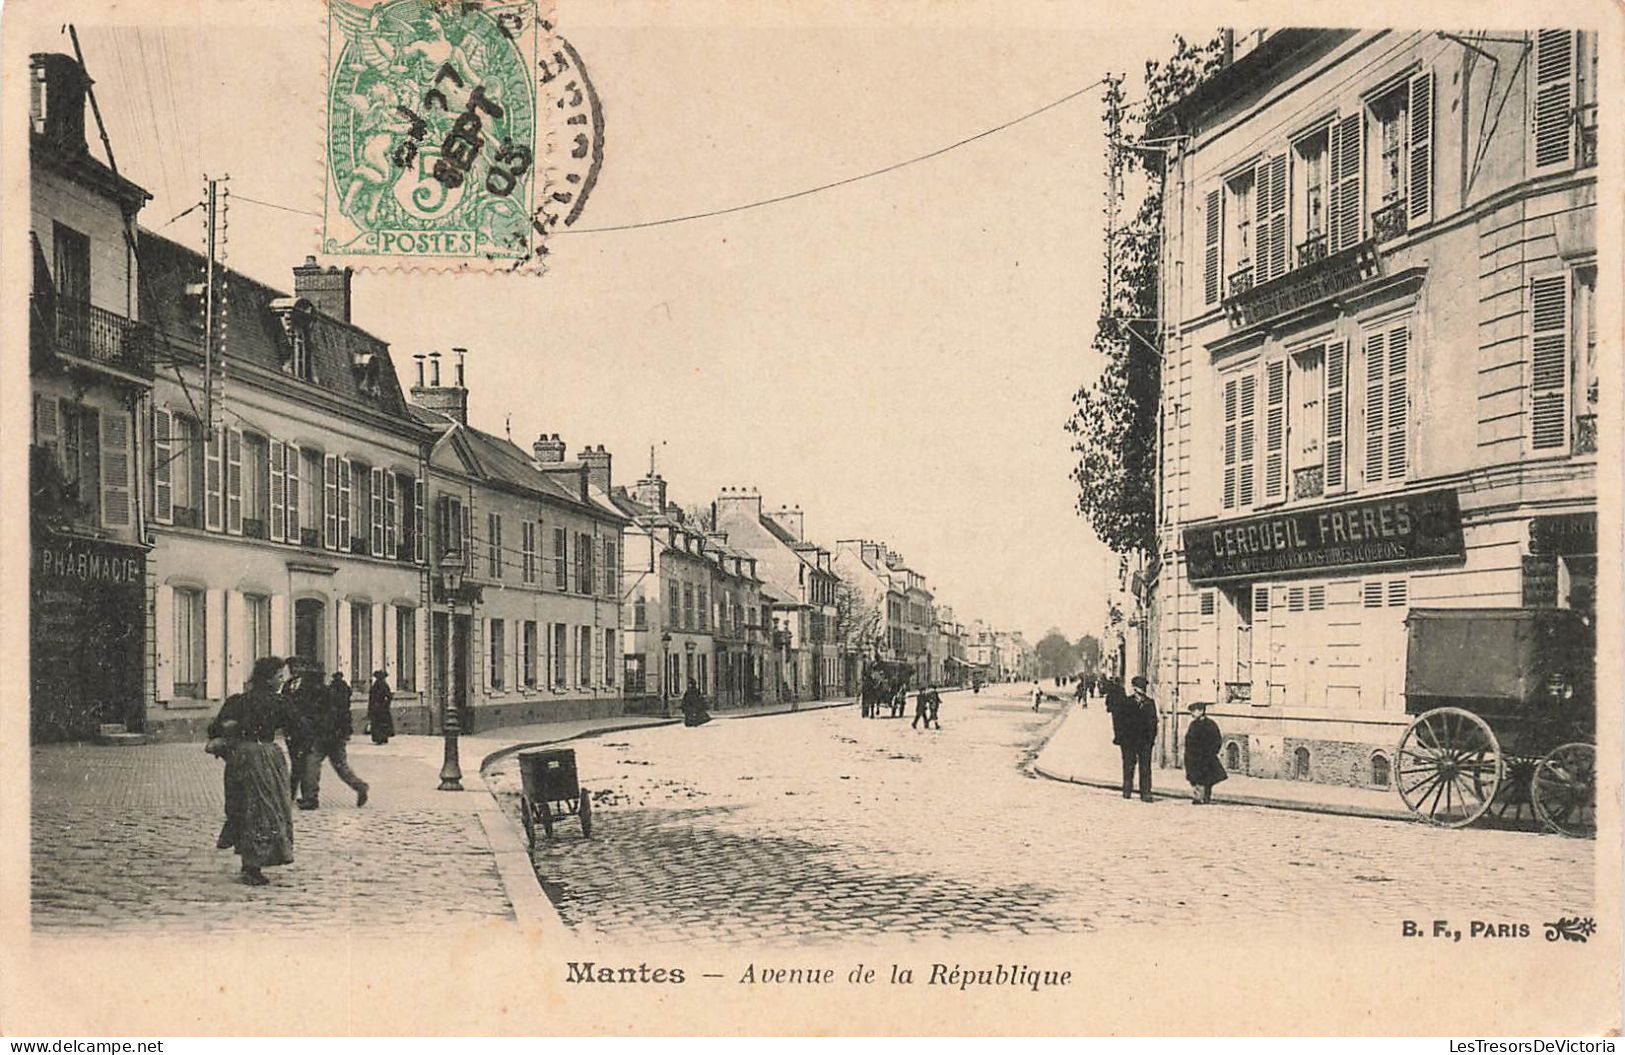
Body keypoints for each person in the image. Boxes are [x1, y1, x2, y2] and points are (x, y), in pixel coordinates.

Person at [207, 656, 297, 885]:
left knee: (243, 807)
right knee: (265, 809)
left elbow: (215, 728)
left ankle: (249, 862)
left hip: (239, 757)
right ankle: (254, 865)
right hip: (265, 757)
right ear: (268, 679)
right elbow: (300, 728)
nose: (281, 681)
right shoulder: (279, 703)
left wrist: (231, 735)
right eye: (279, 677)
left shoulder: (237, 701)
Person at [302, 672, 370, 809]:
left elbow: (312, 716)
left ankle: (311, 798)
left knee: (312, 765)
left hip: (321, 736)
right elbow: (344, 714)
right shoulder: (335, 693)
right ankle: (359, 785)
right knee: (341, 766)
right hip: (336, 736)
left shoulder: (313, 696)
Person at [1117, 675, 1159, 802]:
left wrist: (1151, 739)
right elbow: (1120, 722)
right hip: (1129, 741)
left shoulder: (1150, 703)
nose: (1141, 690)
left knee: (1145, 767)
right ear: (1134, 688)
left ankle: (1145, 793)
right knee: (1129, 765)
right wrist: (1122, 738)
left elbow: (1153, 722)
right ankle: (1127, 790)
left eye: (1143, 688)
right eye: (1139, 688)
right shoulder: (1127, 702)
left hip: (1145, 742)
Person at [1183, 701, 1227, 804]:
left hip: (1206, 756)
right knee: (1196, 778)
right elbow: (1188, 741)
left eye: (1194, 711)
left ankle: (1202, 797)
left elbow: (1217, 740)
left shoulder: (1210, 724)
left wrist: (1212, 752)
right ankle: (1201, 797)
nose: (1192, 714)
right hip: (1194, 757)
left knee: (1205, 778)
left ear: (1201, 711)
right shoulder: (1193, 724)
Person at [367, 669, 395, 745]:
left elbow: (387, 696)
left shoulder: (379, 685)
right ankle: (382, 738)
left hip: (378, 708)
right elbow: (389, 696)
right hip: (381, 708)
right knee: (381, 723)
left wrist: (384, 704)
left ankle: (380, 738)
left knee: (378, 724)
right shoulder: (383, 685)